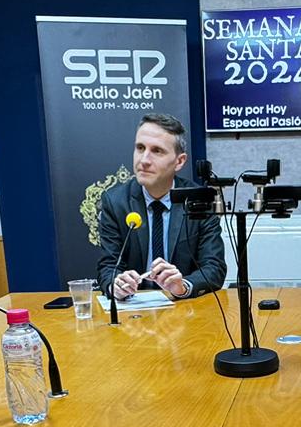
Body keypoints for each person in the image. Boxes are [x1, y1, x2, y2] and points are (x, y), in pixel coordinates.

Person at [96, 113, 227, 301]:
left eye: (157, 151)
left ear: (179, 161)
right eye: (140, 148)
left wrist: (183, 287)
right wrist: (115, 284)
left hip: (185, 311)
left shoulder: (199, 200)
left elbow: (214, 268)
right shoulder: (115, 201)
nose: (144, 160)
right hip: (133, 314)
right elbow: (108, 266)